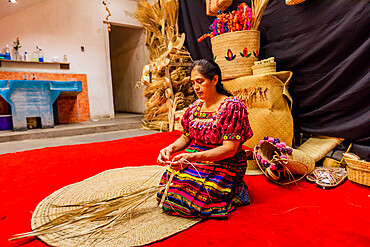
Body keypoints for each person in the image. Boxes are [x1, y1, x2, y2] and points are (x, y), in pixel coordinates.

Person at [157, 59, 253, 218]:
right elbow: (186, 137)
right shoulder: (195, 107)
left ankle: (234, 188)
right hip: (196, 158)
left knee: (195, 201)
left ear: (215, 80)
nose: (196, 87)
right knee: (168, 194)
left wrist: (192, 157)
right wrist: (170, 149)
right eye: (193, 82)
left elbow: (230, 149)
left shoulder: (231, 107)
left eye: (200, 82)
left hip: (224, 160)